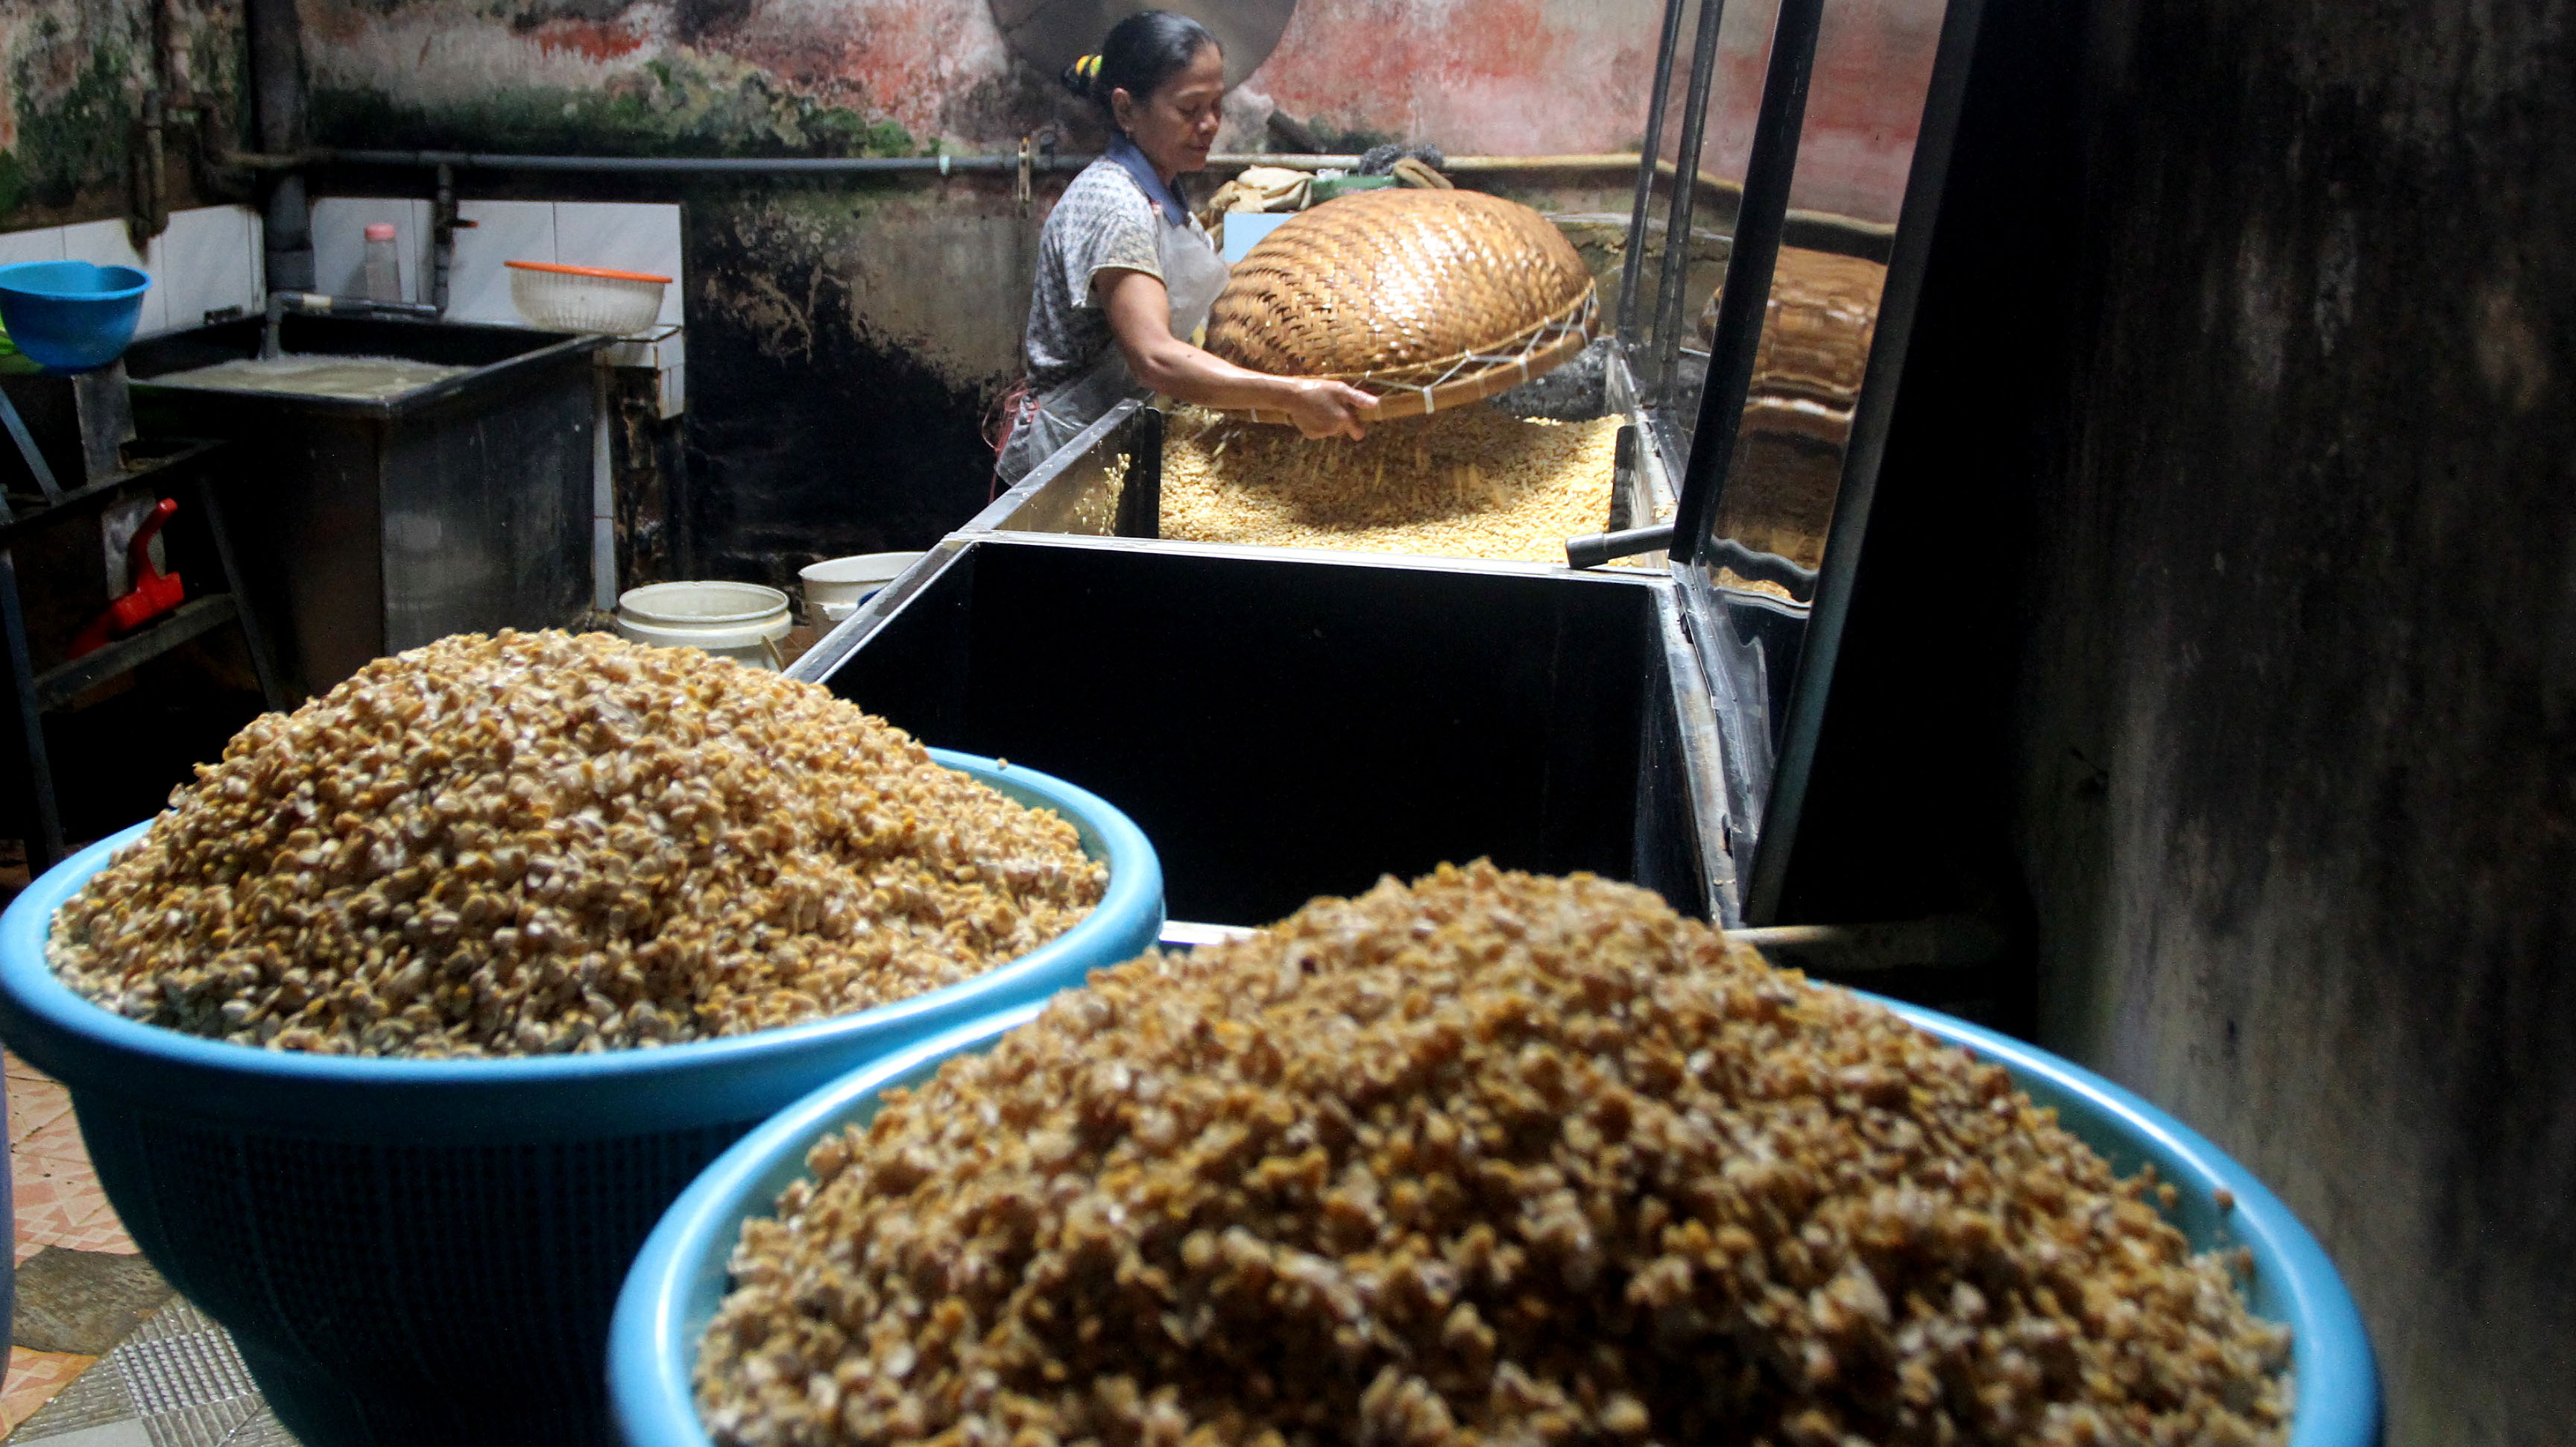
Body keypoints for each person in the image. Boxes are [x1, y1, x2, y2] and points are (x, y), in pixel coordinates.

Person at [995, 10, 1377, 485]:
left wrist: (1305, 256)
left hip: (1120, 429)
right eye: (1190, 109)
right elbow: (1154, 358)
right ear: (1126, 110)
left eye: (1217, 105)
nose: (1210, 124)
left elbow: (1203, 268)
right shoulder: (1115, 204)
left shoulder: (1160, 189)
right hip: (1072, 456)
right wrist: (1292, 395)